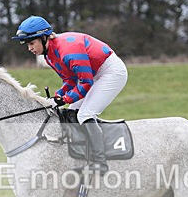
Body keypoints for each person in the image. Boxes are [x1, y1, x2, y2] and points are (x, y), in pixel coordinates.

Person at [12, 15, 128, 174]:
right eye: (27, 44)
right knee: (72, 112)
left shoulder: (67, 51)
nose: (29, 48)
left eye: (31, 43)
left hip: (111, 72)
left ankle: (100, 163)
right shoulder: (49, 55)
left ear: (44, 38)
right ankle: (82, 156)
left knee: (85, 114)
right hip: (94, 74)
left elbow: (86, 83)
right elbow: (70, 80)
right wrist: (56, 97)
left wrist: (64, 99)